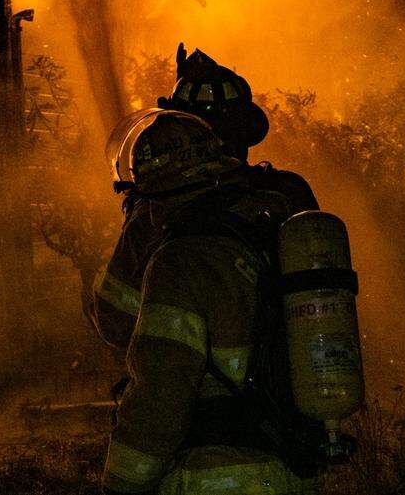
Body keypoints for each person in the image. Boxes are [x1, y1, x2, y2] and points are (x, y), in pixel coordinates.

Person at [100, 110, 321, 495]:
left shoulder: (181, 261)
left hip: (216, 479)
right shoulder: (269, 231)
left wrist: (118, 485)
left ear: (158, 196)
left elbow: (160, 397)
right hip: (291, 472)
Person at [87, 45, 317, 349]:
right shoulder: (287, 192)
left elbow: (115, 323)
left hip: (192, 387)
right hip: (285, 387)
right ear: (247, 130)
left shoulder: (157, 212)